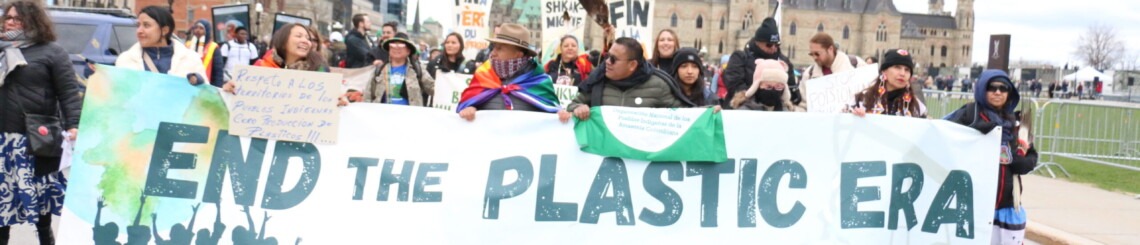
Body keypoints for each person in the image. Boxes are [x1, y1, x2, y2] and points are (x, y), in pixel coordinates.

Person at [0, 1, 82, 244]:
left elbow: (68, 92)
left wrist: (73, 125)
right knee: (1, 209)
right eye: (9, 17)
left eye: (18, 18)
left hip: (35, 140)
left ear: (34, 21)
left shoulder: (51, 51)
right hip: (2, 142)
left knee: (41, 208)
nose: (11, 22)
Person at [942, 69, 1037, 245]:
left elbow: (1030, 159)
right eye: (992, 87)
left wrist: (1014, 161)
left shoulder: (1016, 125)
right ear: (982, 90)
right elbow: (941, 139)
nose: (998, 92)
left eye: (1003, 88)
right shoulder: (968, 115)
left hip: (1006, 205)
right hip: (971, 203)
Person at [559, 37, 693, 123]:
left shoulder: (658, 85)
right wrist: (578, 108)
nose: (607, 62)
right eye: (607, 56)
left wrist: (711, 113)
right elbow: (572, 105)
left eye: (613, 59)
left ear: (632, 65)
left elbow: (684, 117)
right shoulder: (597, 81)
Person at [456, 23, 561, 121]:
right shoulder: (483, 75)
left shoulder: (540, 82)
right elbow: (465, 105)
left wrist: (560, 115)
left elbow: (553, 115)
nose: (493, 53)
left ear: (518, 54)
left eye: (499, 49)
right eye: (493, 48)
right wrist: (470, 107)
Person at [117, 6, 207, 85]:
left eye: (146, 25)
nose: (139, 31)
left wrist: (199, 84)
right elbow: (117, 96)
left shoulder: (190, 59)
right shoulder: (125, 60)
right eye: (138, 25)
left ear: (164, 30)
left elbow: (206, 97)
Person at [724, 17, 798, 109]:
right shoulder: (740, 58)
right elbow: (734, 85)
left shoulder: (783, 61)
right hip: (745, 109)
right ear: (757, 42)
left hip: (776, 111)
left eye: (777, 44)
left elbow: (791, 88)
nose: (773, 48)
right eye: (769, 45)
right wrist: (762, 94)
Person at [351, 33, 434, 107]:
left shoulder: (417, 70)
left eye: (401, 46)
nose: (396, 48)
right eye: (393, 46)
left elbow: (434, 89)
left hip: (409, 119)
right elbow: (368, 96)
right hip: (382, 118)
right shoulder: (379, 70)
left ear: (408, 51)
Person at [849, 49, 926, 118]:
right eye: (897, 67)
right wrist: (856, 118)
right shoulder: (863, 99)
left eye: (907, 70)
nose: (902, 73)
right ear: (884, 71)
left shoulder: (915, 106)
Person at [800, 32, 865, 111]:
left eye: (817, 54)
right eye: (812, 54)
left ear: (830, 49)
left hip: (853, 121)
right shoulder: (809, 74)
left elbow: (871, 96)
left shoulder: (856, 65)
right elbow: (803, 105)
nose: (814, 58)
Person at [730, 59, 798, 111]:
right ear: (757, 86)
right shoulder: (744, 111)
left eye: (778, 87)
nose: (773, 91)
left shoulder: (787, 112)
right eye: (768, 86)